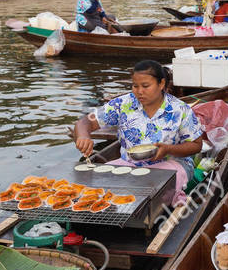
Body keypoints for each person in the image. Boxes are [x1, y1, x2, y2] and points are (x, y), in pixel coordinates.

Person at [73, 60, 203, 206]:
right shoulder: (122, 104)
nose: (139, 91)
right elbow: (85, 122)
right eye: (135, 86)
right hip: (128, 163)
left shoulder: (180, 109)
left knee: (154, 191)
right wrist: (83, 135)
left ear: (161, 84)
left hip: (171, 164)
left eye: (145, 86)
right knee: (97, 187)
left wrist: (168, 149)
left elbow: (196, 145)